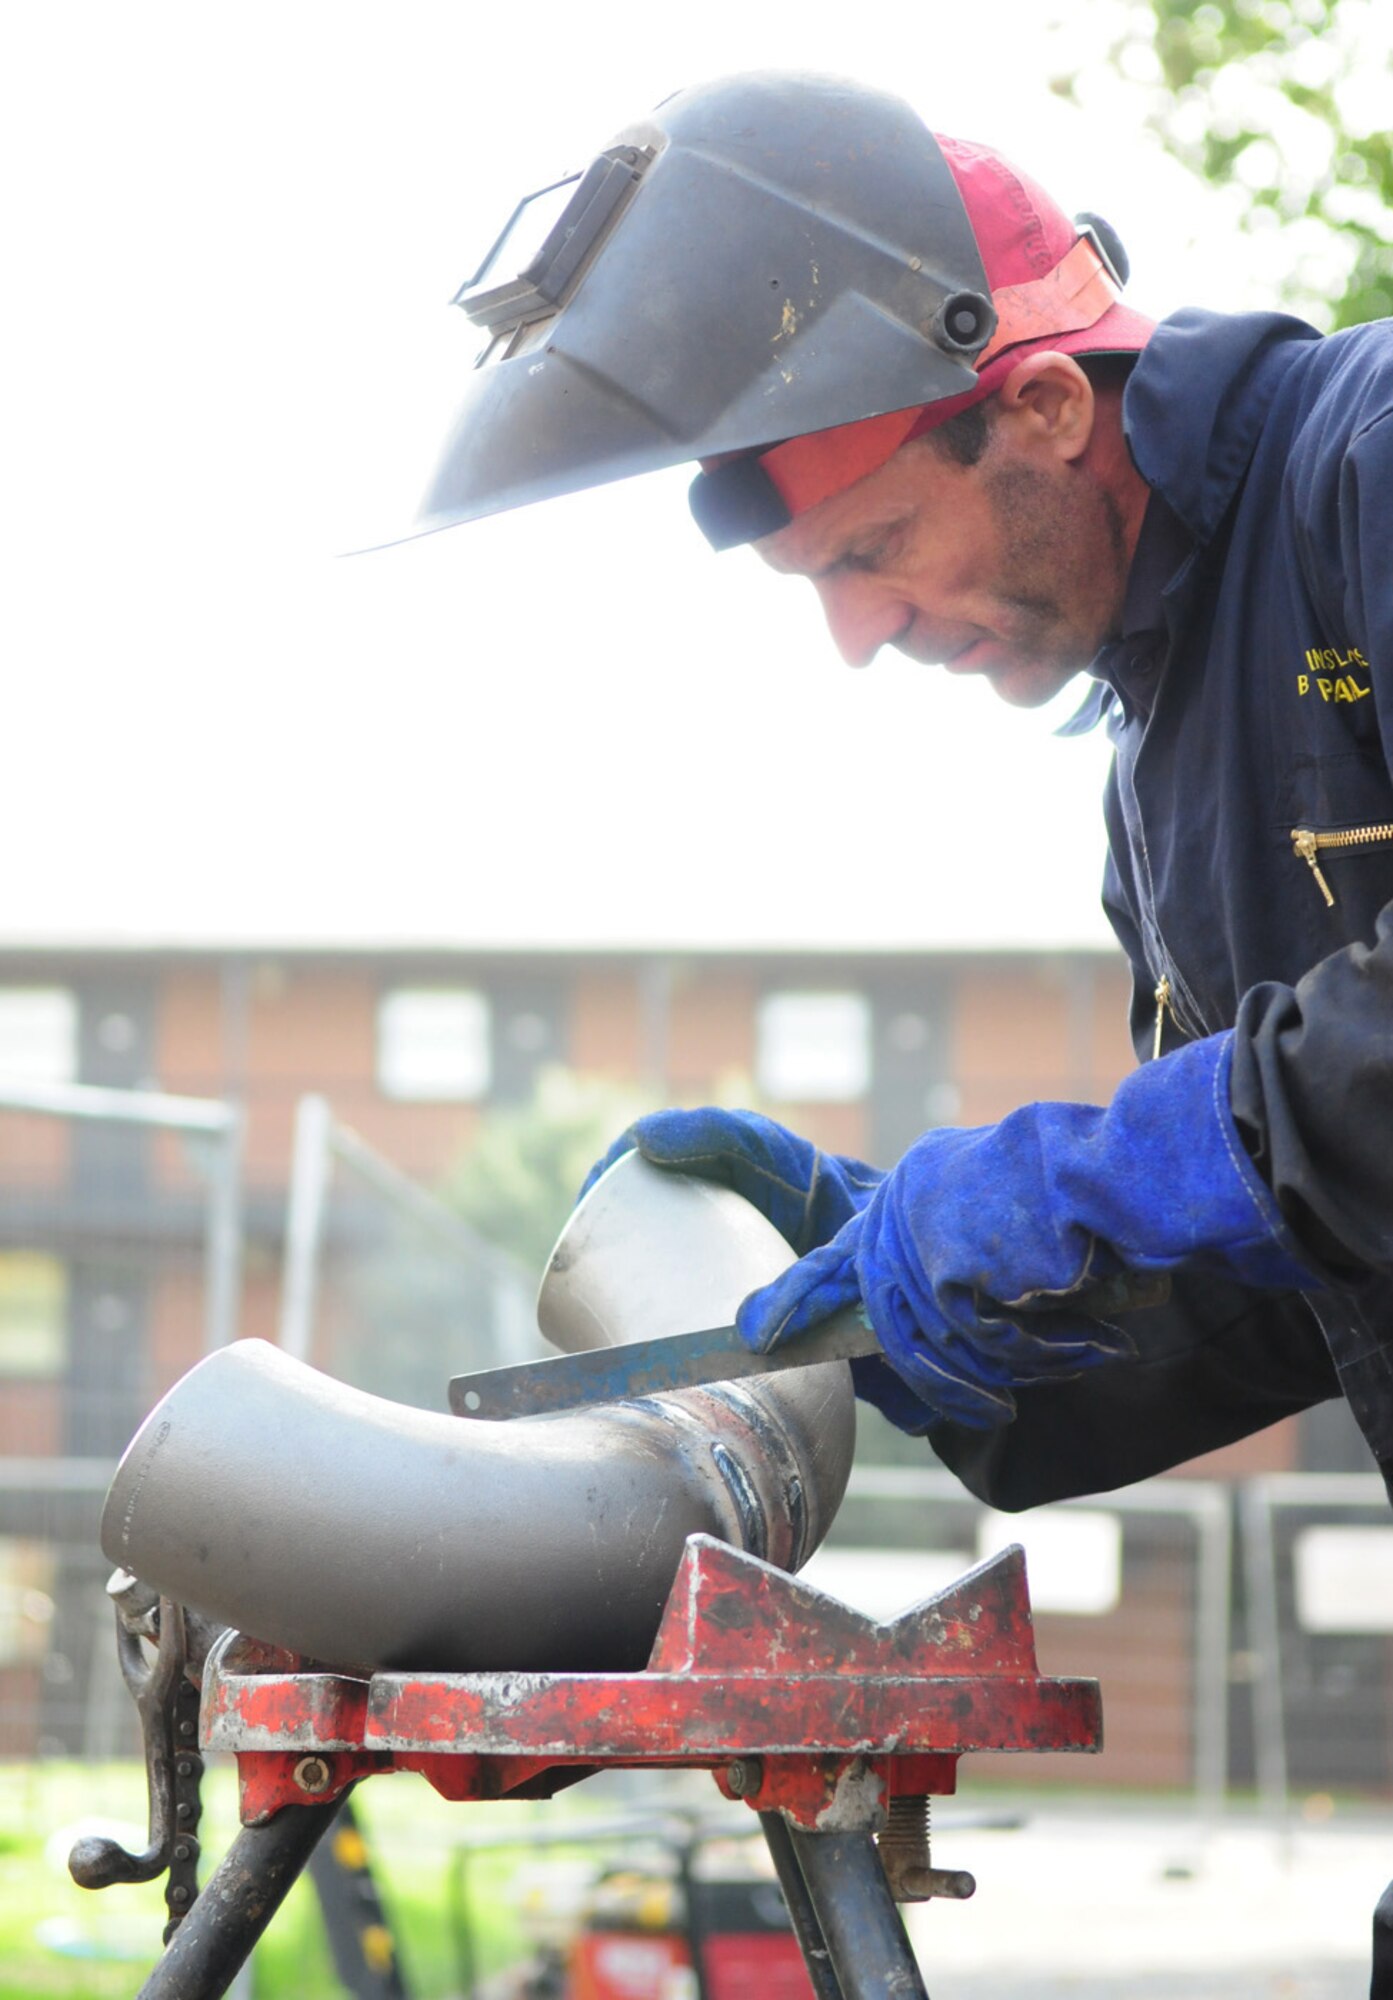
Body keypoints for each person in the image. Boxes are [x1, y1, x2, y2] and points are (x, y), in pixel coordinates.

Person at [423, 71, 1393, 1983]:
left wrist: (1132, 1157)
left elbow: (1253, 1145)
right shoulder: (1158, 758)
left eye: (868, 553)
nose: (855, 639)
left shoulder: (1368, 462)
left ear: (1036, 405)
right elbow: (1304, 1263)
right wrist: (911, 1316)